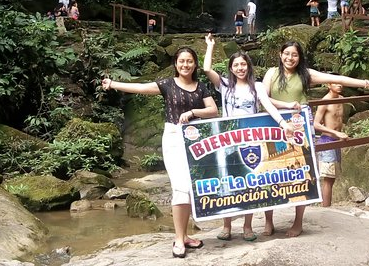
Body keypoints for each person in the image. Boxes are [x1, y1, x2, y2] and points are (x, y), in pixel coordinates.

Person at [101, 47, 219, 257]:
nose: (185, 65)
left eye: (189, 61)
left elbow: (213, 111)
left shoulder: (200, 87)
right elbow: (140, 87)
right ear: (175, 63)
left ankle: (185, 236)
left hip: (195, 140)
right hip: (174, 137)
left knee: (191, 189)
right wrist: (112, 84)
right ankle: (178, 239)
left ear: (195, 64)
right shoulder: (167, 85)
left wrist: (193, 112)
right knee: (180, 188)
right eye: (181, 61)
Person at [261, 40, 369, 237]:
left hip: (299, 128)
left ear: (299, 58)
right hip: (274, 125)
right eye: (287, 54)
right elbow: (264, 99)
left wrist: (366, 83)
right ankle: (268, 221)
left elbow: (337, 78)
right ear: (280, 54)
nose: (290, 58)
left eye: (294, 55)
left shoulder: (305, 75)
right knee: (271, 172)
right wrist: (287, 105)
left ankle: (298, 222)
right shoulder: (271, 73)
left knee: (301, 173)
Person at [203, 34, 297, 242]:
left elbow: (269, 105)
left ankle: (247, 226)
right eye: (236, 65)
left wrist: (283, 123)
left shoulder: (258, 87)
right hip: (228, 141)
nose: (240, 68)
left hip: (251, 141)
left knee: (250, 182)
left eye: (243, 64)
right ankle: (226, 226)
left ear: (248, 66)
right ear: (231, 68)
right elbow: (207, 70)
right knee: (227, 181)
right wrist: (210, 46)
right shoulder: (225, 85)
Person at [313, 83, 349, 207]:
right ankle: (325, 208)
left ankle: (327, 206)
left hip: (337, 141)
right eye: (335, 83)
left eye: (340, 83)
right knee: (328, 179)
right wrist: (336, 132)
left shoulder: (342, 99)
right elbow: (316, 124)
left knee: (332, 178)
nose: (339, 86)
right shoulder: (325, 101)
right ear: (329, 85)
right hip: (327, 140)